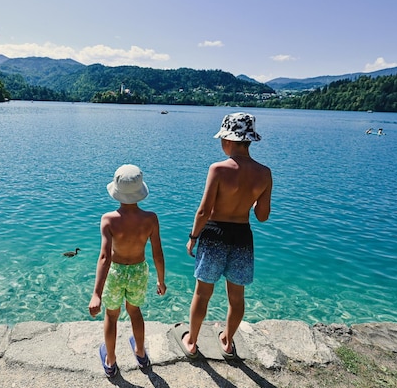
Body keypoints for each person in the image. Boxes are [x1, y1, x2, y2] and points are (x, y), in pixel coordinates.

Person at [173, 112, 272, 360]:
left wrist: (193, 237)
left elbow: (204, 210)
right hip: (242, 237)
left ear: (229, 140)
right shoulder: (265, 173)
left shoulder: (217, 169)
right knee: (236, 297)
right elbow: (262, 215)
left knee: (202, 293)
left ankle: (192, 342)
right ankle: (227, 341)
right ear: (248, 140)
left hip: (214, 235)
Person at [88, 164, 167, 377]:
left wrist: (96, 293)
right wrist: (161, 280)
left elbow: (105, 257)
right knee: (134, 311)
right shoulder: (150, 218)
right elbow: (157, 253)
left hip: (115, 272)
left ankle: (111, 361)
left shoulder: (109, 219)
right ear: (140, 191)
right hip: (139, 272)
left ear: (116, 191)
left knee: (112, 316)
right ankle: (141, 353)